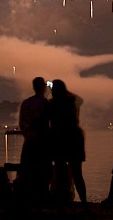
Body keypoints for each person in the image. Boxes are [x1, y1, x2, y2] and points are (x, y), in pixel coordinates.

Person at [49, 79, 88, 205]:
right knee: (77, 173)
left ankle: (61, 203)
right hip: (74, 138)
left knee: (60, 173)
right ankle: (84, 203)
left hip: (59, 139)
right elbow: (80, 99)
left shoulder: (52, 104)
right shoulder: (72, 101)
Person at [17, 76, 52, 205]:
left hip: (29, 142)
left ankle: (27, 199)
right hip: (42, 143)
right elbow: (49, 123)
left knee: (27, 171)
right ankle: (42, 198)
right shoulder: (45, 103)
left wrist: (27, 135)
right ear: (42, 87)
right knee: (44, 172)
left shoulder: (26, 103)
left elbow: (21, 124)